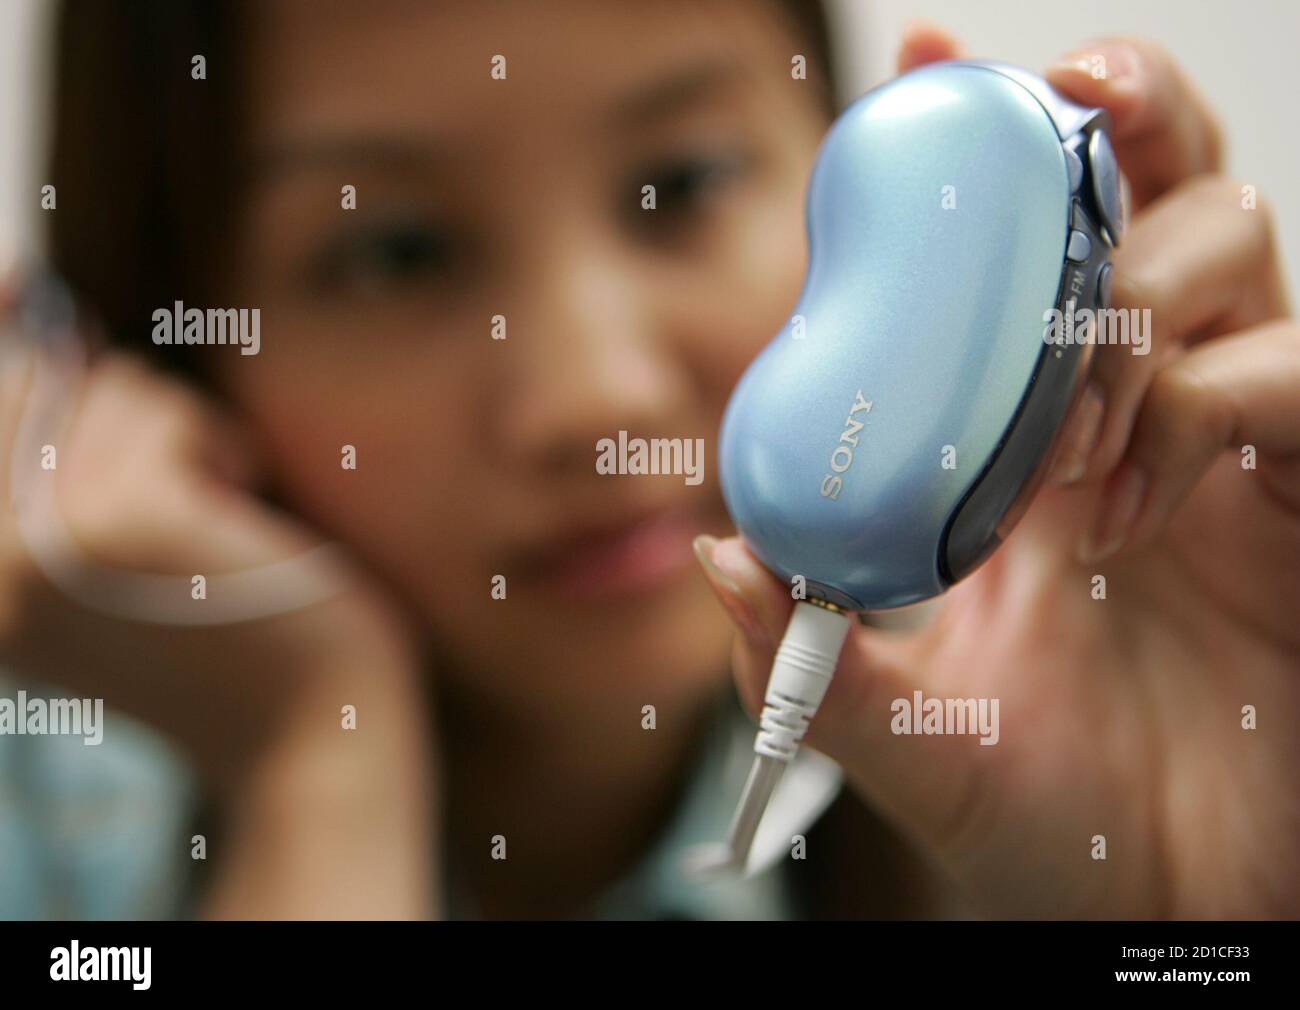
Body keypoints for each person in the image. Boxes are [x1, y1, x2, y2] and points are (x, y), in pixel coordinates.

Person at [0, 0, 1296, 919]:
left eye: (677, 184)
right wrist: (321, 767)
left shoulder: (1009, 756)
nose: (595, 393)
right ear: (152, 342)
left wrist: (1207, 912)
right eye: (395, 253)